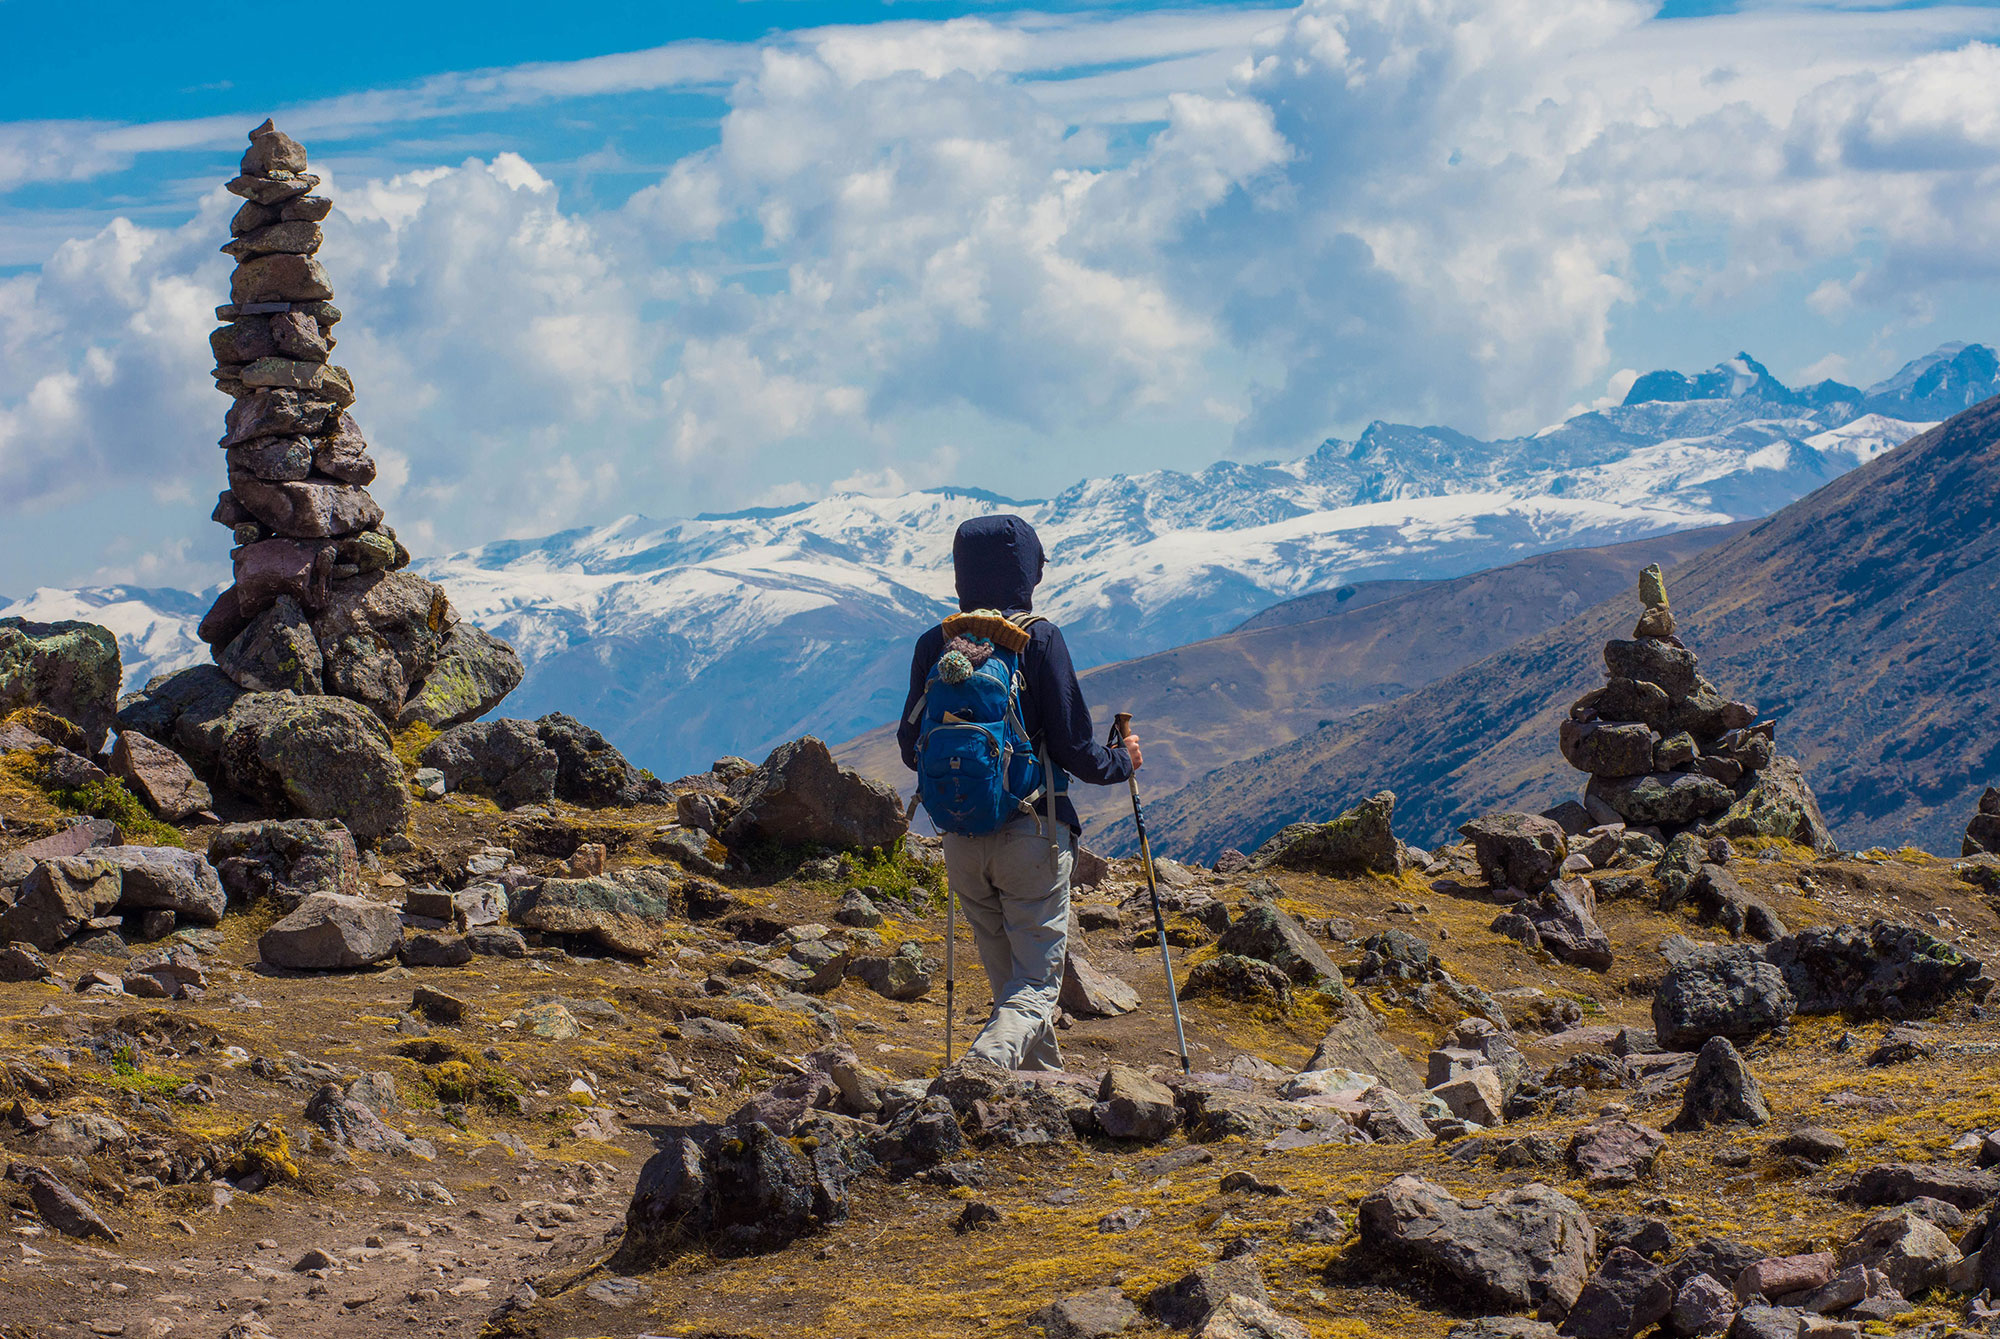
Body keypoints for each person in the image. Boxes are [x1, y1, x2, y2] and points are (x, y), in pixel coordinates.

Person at [897, 514, 1140, 1071]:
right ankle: (984, 1068)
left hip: (959, 839)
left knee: (1009, 983)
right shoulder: (1039, 638)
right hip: (1032, 835)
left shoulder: (936, 642)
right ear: (1027, 569)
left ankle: (1037, 1094)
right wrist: (1123, 761)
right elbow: (1076, 748)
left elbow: (912, 748)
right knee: (1033, 987)